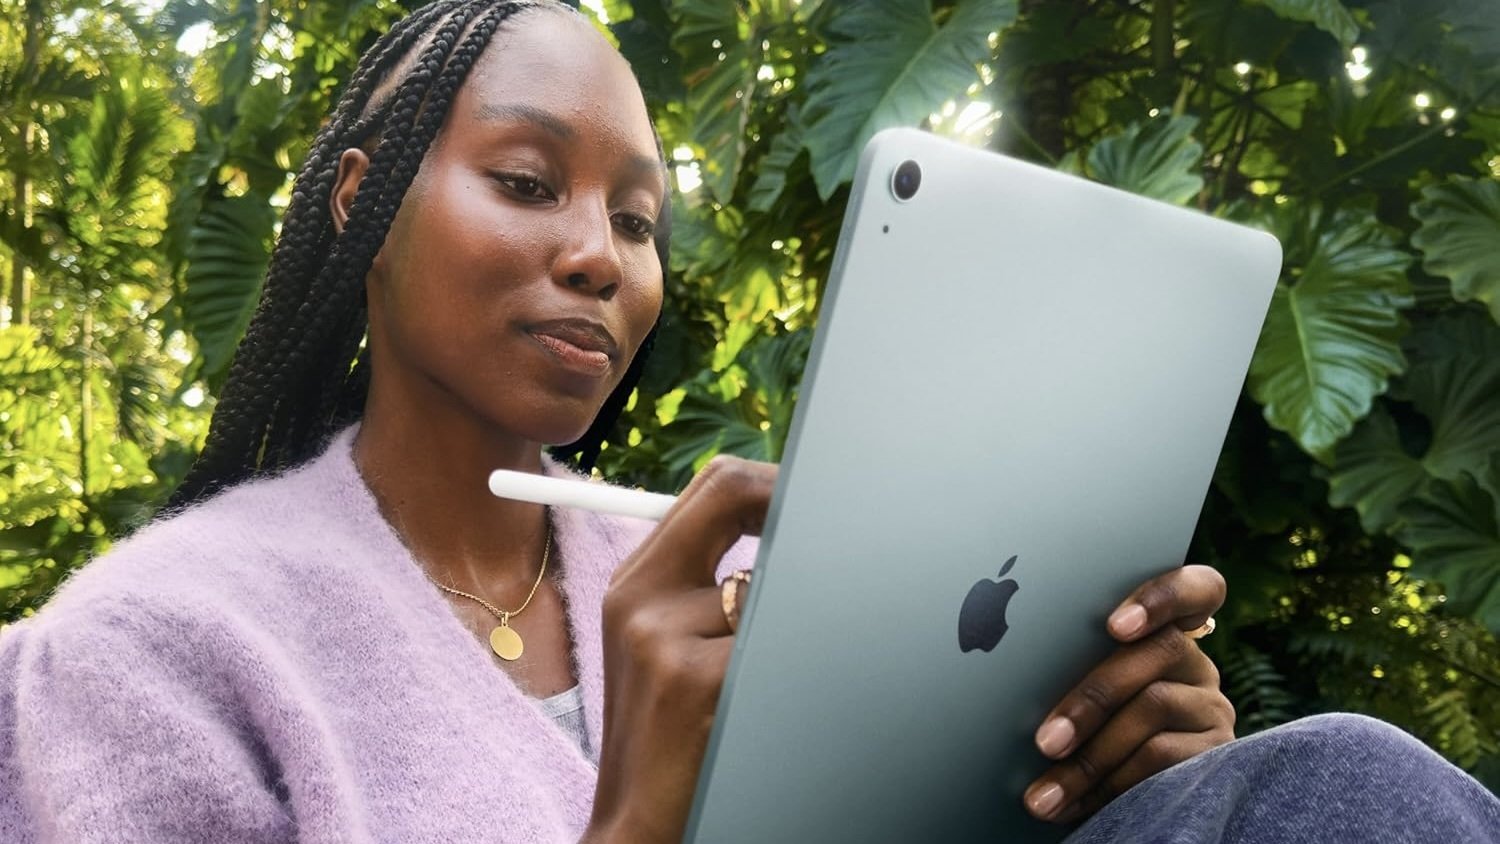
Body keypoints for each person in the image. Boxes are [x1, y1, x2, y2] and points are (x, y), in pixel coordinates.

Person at [1, 1, 1495, 841]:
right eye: (527, 182)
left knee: (1324, 783)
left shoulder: (711, 592)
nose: (601, 253)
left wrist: (1145, 788)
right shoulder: (148, 652)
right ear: (359, 201)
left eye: (640, 219)